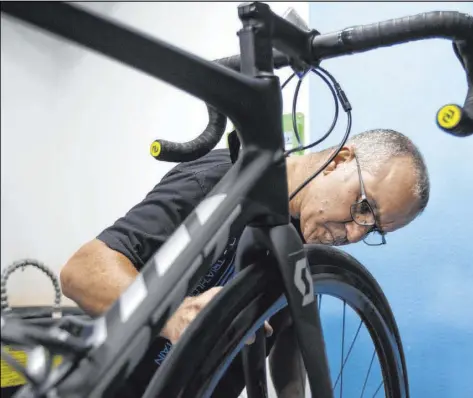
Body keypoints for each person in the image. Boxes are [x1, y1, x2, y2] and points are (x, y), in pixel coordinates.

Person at [60, 128, 430, 397]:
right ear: (340, 161)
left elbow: (286, 336)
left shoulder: (305, 239)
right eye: (363, 208)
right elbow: (81, 271)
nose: (353, 235)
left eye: (373, 230)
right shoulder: (216, 181)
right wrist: (173, 315)